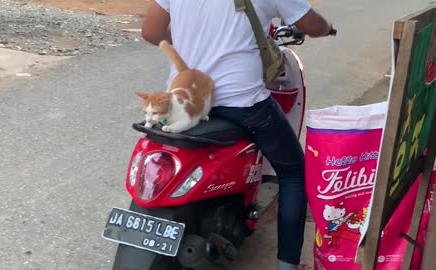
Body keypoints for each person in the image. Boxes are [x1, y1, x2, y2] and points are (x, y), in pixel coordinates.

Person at [141, 0, 334, 269]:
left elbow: (151, 31)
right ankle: (287, 264)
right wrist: (328, 28)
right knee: (293, 172)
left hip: (184, 104)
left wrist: (188, 45)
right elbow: (312, 25)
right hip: (243, 103)